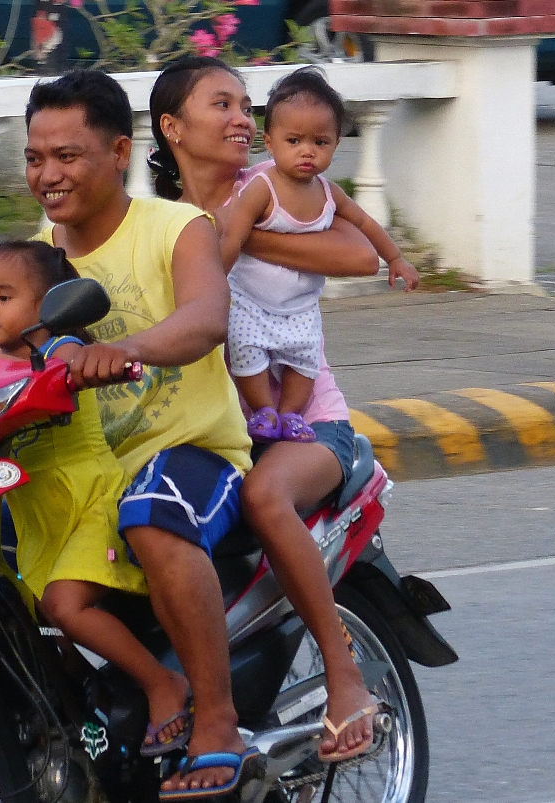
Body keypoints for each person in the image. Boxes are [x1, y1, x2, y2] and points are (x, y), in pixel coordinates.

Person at [148, 57, 418, 773]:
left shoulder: (266, 188)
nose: (244, 119)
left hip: (308, 422)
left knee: (269, 497)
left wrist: (234, 235)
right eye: (224, 104)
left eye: (245, 104)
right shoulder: (149, 217)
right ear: (172, 128)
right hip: (208, 428)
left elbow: (360, 253)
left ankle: (342, 671)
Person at [23, 70, 258, 797]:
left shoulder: (176, 227)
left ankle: (215, 720)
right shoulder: (38, 248)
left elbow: (205, 317)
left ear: (120, 151)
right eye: (35, 157)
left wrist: (127, 350)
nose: (48, 174)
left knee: (153, 516)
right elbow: (17, 344)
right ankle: (69, 714)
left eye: (68, 155)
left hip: (194, 453)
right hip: (97, 464)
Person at [0, 239, 195, 758]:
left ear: (48, 307)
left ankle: (161, 685)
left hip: (88, 505)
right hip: (39, 523)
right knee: (29, 623)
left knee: (65, 606)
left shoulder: (57, 348)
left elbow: (59, 364)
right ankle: (93, 700)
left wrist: (83, 363)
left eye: (3, 296)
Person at [219, 67, 418, 445]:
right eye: (294, 140)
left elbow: (368, 224)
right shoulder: (262, 188)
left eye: (320, 142)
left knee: (305, 362)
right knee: (245, 352)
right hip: (250, 301)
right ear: (271, 141)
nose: (307, 151)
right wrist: (215, 277)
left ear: (336, 143)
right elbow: (234, 236)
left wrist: (396, 258)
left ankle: (291, 414)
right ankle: (263, 409)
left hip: (301, 307)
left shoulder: (329, 194)